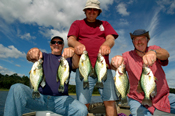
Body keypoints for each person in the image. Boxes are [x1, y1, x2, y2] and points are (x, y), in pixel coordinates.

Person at [4, 36, 88, 116]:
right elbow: (29, 57)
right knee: (16, 88)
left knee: (82, 110)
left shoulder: (67, 59)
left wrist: (73, 52)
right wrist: (32, 51)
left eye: (59, 42)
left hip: (61, 101)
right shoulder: (43, 56)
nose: (56, 44)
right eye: (54, 42)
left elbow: (76, 65)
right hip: (39, 98)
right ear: (50, 45)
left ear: (63, 45)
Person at [67, 0, 119, 115]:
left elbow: (111, 38)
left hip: (104, 68)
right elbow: (71, 39)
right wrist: (77, 44)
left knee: (110, 102)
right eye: (89, 9)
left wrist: (107, 44)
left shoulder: (104, 24)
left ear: (98, 12)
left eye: (95, 9)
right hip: (83, 69)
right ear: (85, 11)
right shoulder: (77, 23)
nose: (92, 12)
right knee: (82, 104)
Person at [111, 29, 175, 116]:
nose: (139, 41)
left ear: (147, 40)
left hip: (163, 97)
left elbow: (165, 54)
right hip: (138, 100)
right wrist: (116, 60)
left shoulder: (155, 49)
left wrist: (154, 53)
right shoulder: (127, 55)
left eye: (142, 38)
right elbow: (114, 66)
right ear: (133, 42)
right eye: (136, 39)